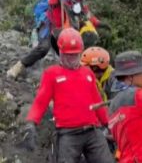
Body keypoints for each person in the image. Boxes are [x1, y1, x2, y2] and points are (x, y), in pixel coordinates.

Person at [23, 28, 114, 163]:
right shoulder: (51, 74)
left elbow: (97, 102)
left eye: (75, 55)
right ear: (60, 52)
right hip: (68, 134)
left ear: (80, 53)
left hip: (92, 131)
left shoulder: (87, 73)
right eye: (68, 55)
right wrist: (31, 123)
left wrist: (110, 125)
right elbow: (40, 101)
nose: (71, 59)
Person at [7, 0, 110, 79]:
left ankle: (69, 79)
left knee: (71, 53)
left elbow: (87, 15)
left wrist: (99, 24)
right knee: (43, 48)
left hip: (62, 31)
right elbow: (51, 1)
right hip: (49, 25)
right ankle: (18, 67)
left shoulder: (79, 1)